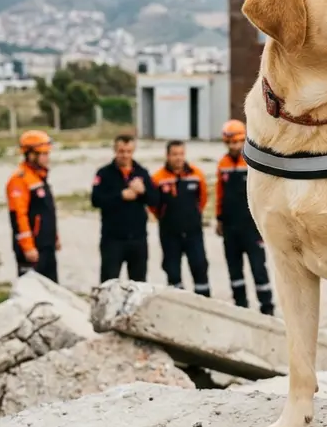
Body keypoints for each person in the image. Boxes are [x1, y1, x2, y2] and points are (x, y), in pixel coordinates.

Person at [216, 119, 274, 316]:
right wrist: (219, 219)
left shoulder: (253, 160)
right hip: (231, 228)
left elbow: (265, 192)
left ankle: (267, 309)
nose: (233, 146)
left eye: (236, 142)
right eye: (229, 143)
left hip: (252, 226)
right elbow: (219, 193)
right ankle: (240, 308)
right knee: (235, 271)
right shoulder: (223, 164)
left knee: (259, 269)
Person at [90, 133, 157, 283]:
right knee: (109, 283)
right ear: (115, 151)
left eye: (128, 151)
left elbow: (155, 200)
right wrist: (120, 196)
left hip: (138, 239)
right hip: (113, 239)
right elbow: (95, 200)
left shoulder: (141, 172)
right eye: (121, 151)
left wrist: (143, 191)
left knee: (139, 284)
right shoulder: (104, 173)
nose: (125, 155)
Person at [151, 139, 211, 295]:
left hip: (193, 233)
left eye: (181, 154)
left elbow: (203, 199)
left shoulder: (196, 175)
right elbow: (153, 205)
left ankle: (204, 306)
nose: (178, 158)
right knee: (172, 273)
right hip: (170, 234)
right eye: (174, 154)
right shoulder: (158, 178)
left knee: (200, 268)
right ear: (167, 155)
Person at [5, 130, 60, 282]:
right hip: (32, 249)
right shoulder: (19, 180)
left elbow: (46, 211)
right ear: (31, 155)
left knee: (52, 289)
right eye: (44, 154)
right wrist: (28, 247)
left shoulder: (39, 177)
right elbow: (19, 216)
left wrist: (54, 237)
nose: (47, 158)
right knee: (32, 291)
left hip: (46, 245)